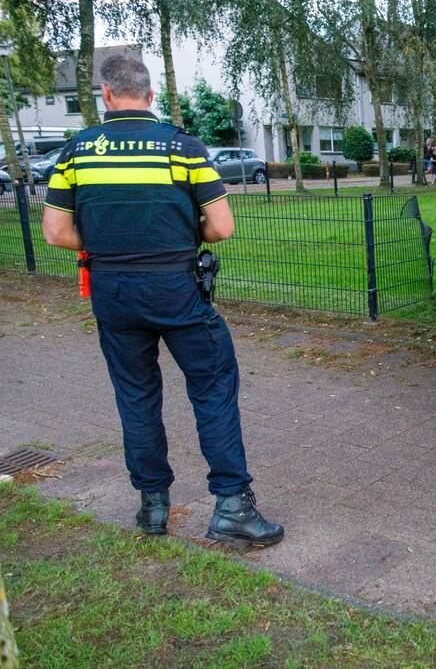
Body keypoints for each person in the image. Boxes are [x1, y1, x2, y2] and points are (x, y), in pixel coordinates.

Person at [40, 54, 284, 544]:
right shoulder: (183, 148)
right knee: (213, 388)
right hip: (177, 289)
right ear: (151, 96)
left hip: (112, 292)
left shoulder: (75, 152)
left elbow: (55, 233)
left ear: (106, 95)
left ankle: (153, 507)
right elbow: (221, 228)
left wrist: (111, 243)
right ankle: (232, 507)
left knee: (136, 395)